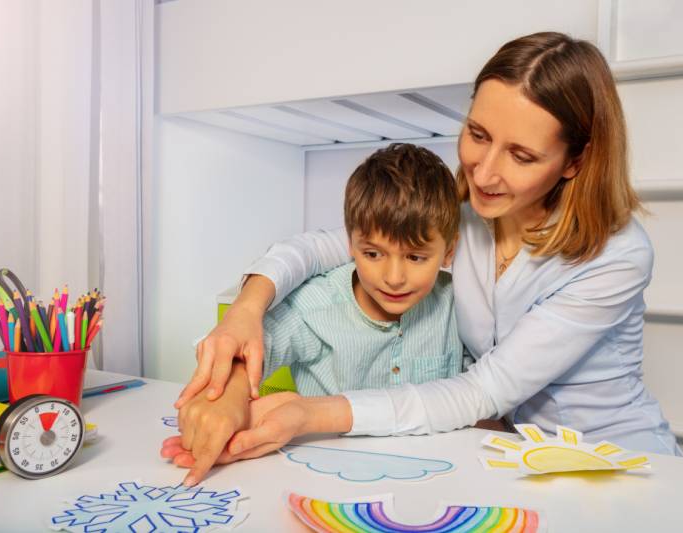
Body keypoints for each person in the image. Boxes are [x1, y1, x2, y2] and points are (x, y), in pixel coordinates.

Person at [165, 31, 682, 486]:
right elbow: (324, 245)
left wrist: (307, 414)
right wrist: (247, 310)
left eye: (521, 156)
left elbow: (485, 389)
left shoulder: (618, 255)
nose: (483, 173)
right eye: (478, 135)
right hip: (511, 459)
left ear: (576, 161)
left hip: (615, 459)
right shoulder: (466, 216)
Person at [165, 143, 466, 484]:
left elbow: (479, 396)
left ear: (449, 251)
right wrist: (229, 397)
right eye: (372, 254)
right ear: (349, 245)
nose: (393, 278)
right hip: (322, 478)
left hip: (436, 479)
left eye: (415, 258)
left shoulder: (458, 306)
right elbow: (251, 346)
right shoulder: (317, 304)